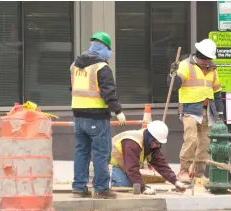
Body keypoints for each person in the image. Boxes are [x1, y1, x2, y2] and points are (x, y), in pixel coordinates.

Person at [70, 31, 126, 199]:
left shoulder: (74, 65)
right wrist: (118, 111)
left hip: (78, 116)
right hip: (97, 117)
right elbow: (108, 92)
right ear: (104, 48)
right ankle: (101, 189)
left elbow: (72, 89)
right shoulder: (102, 67)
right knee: (101, 153)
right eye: (109, 49)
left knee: (81, 152)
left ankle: (79, 188)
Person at [168, 39, 224, 182]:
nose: (208, 63)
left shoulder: (212, 69)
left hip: (208, 110)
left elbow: (217, 92)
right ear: (200, 56)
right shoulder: (185, 65)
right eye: (206, 60)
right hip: (190, 108)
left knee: (205, 143)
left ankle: (199, 174)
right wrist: (172, 74)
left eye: (210, 60)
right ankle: (183, 171)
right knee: (191, 139)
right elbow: (174, 87)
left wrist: (220, 114)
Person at [110, 120, 188, 195]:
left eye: (160, 144)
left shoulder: (151, 144)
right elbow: (132, 168)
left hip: (122, 167)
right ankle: (104, 182)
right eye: (156, 143)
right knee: (124, 185)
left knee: (134, 184)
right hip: (108, 165)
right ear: (150, 137)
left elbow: (161, 165)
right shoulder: (132, 143)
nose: (157, 146)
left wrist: (175, 181)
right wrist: (143, 188)